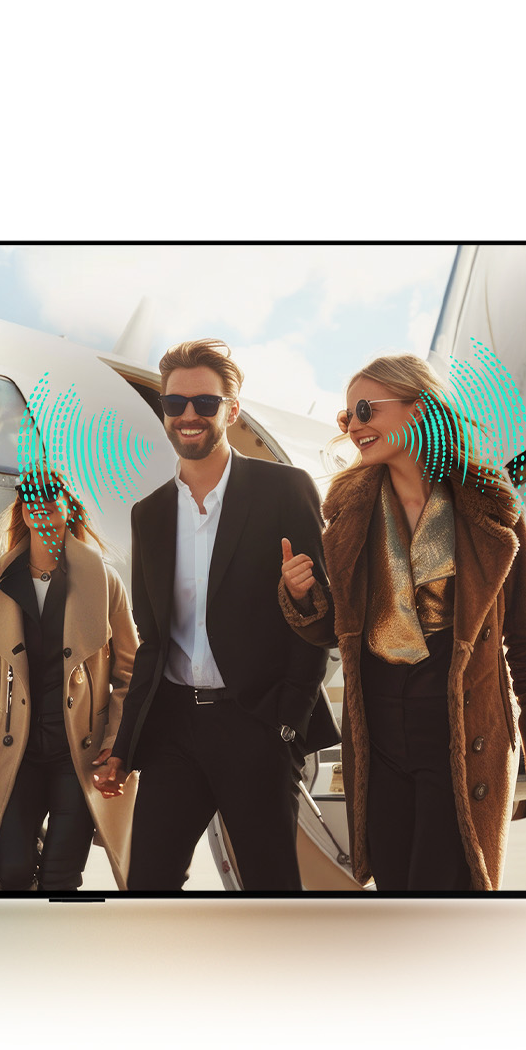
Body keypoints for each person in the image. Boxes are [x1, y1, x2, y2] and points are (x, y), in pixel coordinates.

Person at [279, 354, 526, 891]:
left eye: (366, 409)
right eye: (347, 418)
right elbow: (337, 633)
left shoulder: (493, 508)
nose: (355, 427)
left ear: (420, 410)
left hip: (462, 734)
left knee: (444, 897)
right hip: (380, 740)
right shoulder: (346, 514)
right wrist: (304, 597)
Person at [93, 339, 339, 890]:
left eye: (205, 404)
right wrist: (126, 745)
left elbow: (318, 622)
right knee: (147, 884)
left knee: (270, 886)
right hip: (174, 728)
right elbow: (152, 642)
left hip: (256, 723)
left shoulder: (286, 490)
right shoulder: (149, 514)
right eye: (174, 403)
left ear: (231, 408)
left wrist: (285, 725)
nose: (188, 416)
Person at [0, 469, 139, 890]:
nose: (39, 503)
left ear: (67, 506)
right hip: (18, 749)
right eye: (29, 497)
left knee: (61, 875)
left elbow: (130, 671)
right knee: (12, 867)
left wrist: (116, 742)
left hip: (79, 755)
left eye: (50, 495)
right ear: (21, 508)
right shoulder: (1, 579)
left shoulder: (103, 579)